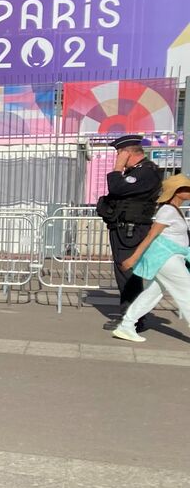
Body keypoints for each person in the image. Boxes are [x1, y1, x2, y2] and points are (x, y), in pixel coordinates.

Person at [112, 174, 190, 342]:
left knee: (151, 294)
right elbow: (150, 237)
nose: (189, 191)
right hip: (167, 259)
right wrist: (133, 258)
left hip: (169, 258)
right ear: (176, 192)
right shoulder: (168, 211)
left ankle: (126, 326)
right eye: (186, 189)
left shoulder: (174, 210)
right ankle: (126, 326)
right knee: (187, 292)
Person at [98, 134, 163, 331]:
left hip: (131, 230)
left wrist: (118, 167)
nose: (118, 157)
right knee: (125, 272)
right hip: (124, 228)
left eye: (119, 153)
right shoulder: (138, 171)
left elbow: (116, 187)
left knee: (128, 272)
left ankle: (132, 318)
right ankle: (130, 315)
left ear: (127, 153)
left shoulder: (146, 172)